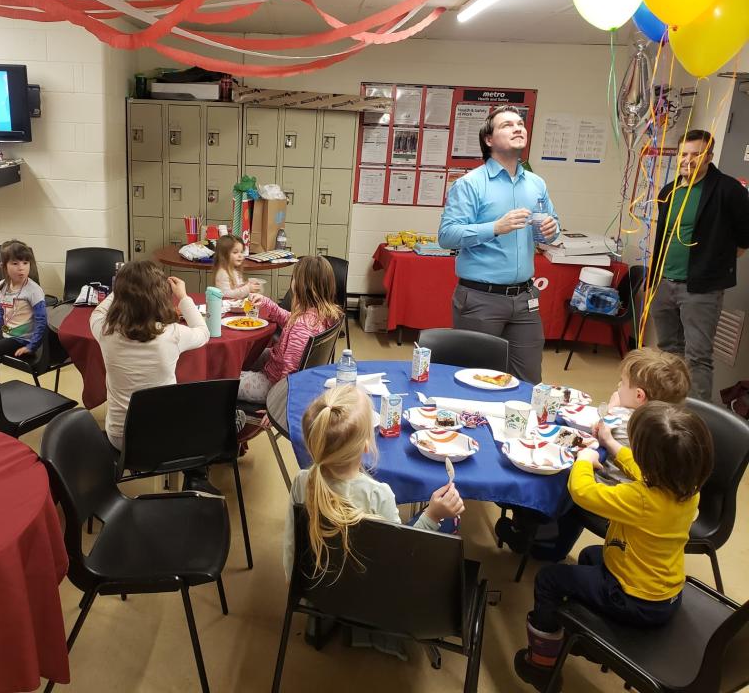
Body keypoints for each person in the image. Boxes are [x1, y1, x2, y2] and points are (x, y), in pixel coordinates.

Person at [514, 401, 713, 691]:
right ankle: (587, 635)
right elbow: (640, 468)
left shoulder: (641, 499)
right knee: (589, 554)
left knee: (548, 579)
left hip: (632, 598)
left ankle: (541, 665)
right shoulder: (688, 490)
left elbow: (582, 492)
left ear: (651, 464)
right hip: (664, 592)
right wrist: (610, 444)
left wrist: (583, 460)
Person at [284, 385, 465, 658]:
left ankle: (323, 616)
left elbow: (292, 546)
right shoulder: (378, 494)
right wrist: (432, 516)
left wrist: (301, 589)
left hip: (318, 588)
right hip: (375, 598)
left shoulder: (301, 481)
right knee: (444, 523)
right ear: (368, 443)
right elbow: (398, 563)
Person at [522, 347, 691, 562]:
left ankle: (542, 541)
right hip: (654, 498)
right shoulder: (672, 426)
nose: (618, 386)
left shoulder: (621, 420)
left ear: (639, 396)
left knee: (562, 473)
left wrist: (612, 409)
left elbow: (597, 428)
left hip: (617, 494)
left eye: (622, 382)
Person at [438, 105, 560, 384]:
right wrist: (495, 227)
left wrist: (552, 230)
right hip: (481, 299)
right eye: (507, 125)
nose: (518, 128)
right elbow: (447, 235)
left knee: (528, 380)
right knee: (475, 378)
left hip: (525, 298)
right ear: (489, 140)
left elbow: (549, 232)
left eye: (520, 123)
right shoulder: (470, 184)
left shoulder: (537, 184)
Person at [650, 129, 749, 401]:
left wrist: (717, 261)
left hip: (701, 289)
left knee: (697, 357)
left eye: (696, 154)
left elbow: (744, 236)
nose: (688, 160)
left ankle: (696, 422)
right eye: (684, 154)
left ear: (709, 157)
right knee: (669, 349)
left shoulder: (728, 190)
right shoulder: (670, 191)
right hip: (664, 283)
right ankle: (671, 408)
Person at [89, 260, 209, 451]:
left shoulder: (106, 331)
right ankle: (195, 475)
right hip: (164, 437)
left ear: (120, 296)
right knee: (198, 405)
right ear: (161, 297)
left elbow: (98, 312)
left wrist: (123, 286)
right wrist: (183, 297)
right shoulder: (173, 334)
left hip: (120, 439)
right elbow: (203, 332)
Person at [239, 256, 341, 404]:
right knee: (247, 352)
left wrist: (279, 405)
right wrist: (267, 303)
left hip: (273, 384)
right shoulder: (317, 314)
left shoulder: (302, 327)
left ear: (301, 285)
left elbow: (290, 372)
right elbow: (290, 320)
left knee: (227, 382)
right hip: (276, 366)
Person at [0, 240, 47, 374]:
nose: (21, 267)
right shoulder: (3, 285)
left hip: (22, 340)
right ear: (4, 267)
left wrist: (32, 346)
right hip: (7, 332)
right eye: (15, 263)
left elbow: (41, 322)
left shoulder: (33, 290)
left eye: (25, 263)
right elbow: (0, 314)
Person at [212, 234, 260, 300]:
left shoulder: (234, 270)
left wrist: (247, 284)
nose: (240, 255)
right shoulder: (223, 273)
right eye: (235, 252)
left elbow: (237, 288)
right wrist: (248, 288)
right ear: (224, 255)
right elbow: (226, 295)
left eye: (241, 252)